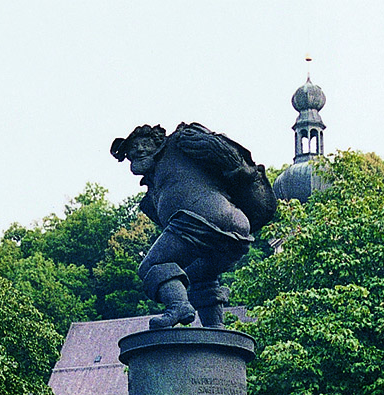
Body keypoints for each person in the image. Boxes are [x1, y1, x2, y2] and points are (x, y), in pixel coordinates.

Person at [111, 122, 276, 328]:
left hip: (202, 217)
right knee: (198, 275)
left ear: (158, 142)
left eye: (144, 143)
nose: (139, 150)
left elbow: (226, 155)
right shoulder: (154, 190)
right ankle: (215, 327)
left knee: (151, 265)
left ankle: (179, 306)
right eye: (133, 148)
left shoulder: (178, 143)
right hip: (237, 230)